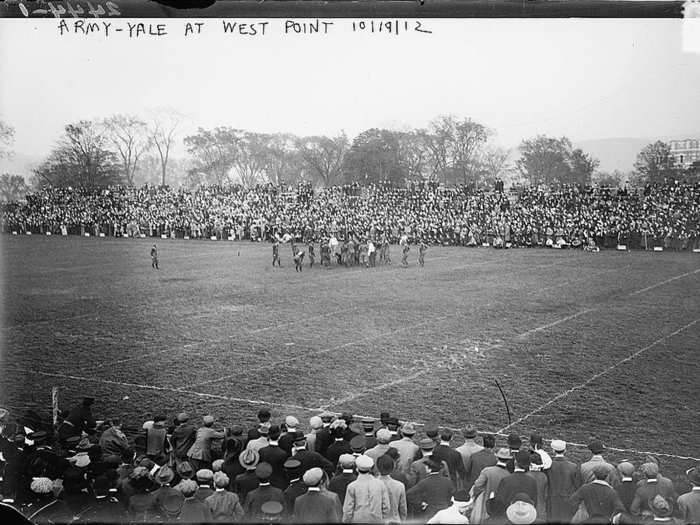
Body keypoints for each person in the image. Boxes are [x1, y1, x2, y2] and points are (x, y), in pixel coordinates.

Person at [342, 455, 390, 523]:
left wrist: (346, 521)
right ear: (370, 469)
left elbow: (348, 510)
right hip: (376, 520)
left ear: (357, 469)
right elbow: (386, 507)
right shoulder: (380, 484)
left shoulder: (352, 486)